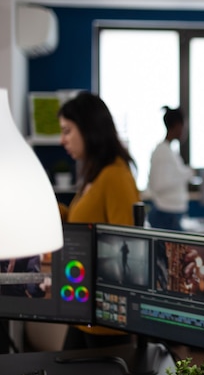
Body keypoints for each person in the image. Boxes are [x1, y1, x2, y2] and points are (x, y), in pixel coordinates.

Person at [57, 91, 140, 349]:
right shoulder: (94, 174)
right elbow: (79, 222)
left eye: (68, 130)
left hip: (106, 320)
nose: (63, 140)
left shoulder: (115, 176)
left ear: (88, 129)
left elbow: (126, 248)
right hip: (84, 309)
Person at [147, 106, 194, 231]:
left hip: (171, 213)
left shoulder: (169, 151)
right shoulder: (163, 152)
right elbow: (159, 185)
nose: (185, 129)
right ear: (177, 125)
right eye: (184, 125)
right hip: (166, 215)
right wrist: (187, 174)